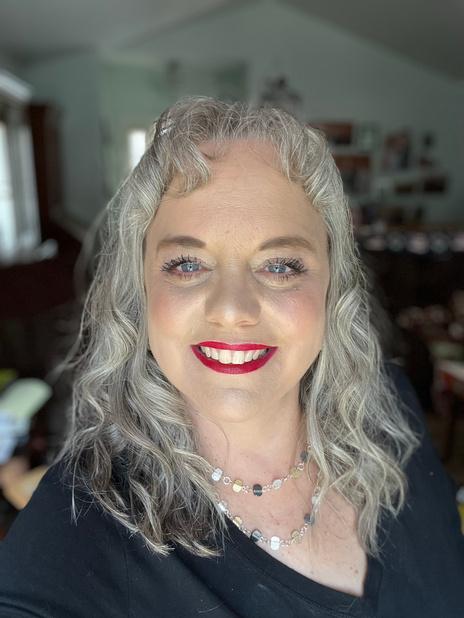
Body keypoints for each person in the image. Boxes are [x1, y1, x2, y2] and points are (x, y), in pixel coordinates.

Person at [0, 96, 463, 617]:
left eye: (281, 265)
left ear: (334, 283)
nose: (232, 310)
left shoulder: (390, 408)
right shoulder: (71, 535)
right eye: (187, 264)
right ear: (140, 288)